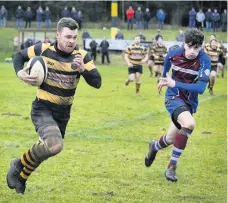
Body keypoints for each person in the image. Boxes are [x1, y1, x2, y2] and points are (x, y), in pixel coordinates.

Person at [6, 17, 102, 195]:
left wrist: (83, 70)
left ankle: (21, 176)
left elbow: (97, 82)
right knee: (54, 145)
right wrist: (20, 72)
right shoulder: (43, 49)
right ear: (57, 35)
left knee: (46, 149)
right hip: (43, 108)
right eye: (67, 37)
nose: (71, 41)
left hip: (63, 113)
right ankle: (18, 164)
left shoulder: (82, 56)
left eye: (74, 37)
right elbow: (18, 56)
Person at [145, 28, 211, 182]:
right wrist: (163, 78)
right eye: (189, 46)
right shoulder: (174, 53)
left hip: (189, 102)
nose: (192, 51)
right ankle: (171, 167)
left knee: (169, 139)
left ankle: (154, 147)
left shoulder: (204, 60)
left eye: (197, 47)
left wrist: (174, 82)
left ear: (201, 46)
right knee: (189, 123)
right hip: (173, 97)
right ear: (184, 44)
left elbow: (200, 89)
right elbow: (167, 59)